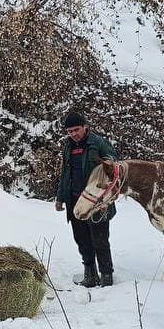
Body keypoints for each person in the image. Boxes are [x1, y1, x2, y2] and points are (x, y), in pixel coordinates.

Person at [54, 110, 118, 287]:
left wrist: (106, 193)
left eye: (76, 129)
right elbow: (65, 173)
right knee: (81, 239)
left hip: (95, 201)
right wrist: (60, 197)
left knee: (100, 240)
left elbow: (114, 167)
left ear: (85, 127)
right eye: (69, 131)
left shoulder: (98, 143)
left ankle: (106, 275)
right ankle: (90, 275)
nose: (73, 134)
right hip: (75, 200)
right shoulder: (68, 147)